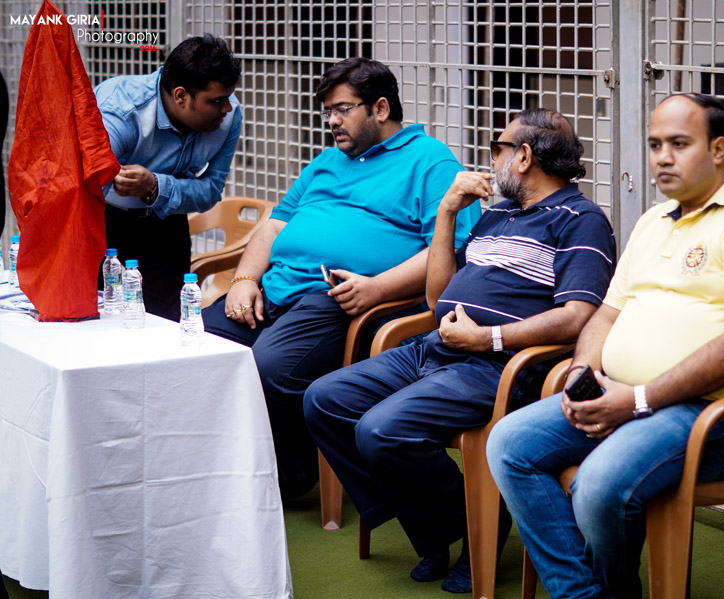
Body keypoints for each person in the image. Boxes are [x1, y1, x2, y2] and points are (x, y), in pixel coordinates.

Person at [486, 93, 724, 599]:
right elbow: (606, 315)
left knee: (598, 484)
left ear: (719, 149)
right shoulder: (653, 221)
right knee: (509, 443)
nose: (663, 157)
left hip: (722, 416)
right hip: (622, 395)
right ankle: (582, 594)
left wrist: (637, 400)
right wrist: (581, 374)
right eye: (656, 144)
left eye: (680, 144)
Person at [304, 108, 616, 593]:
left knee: (381, 430)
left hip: (497, 365)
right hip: (435, 348)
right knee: (325, 400)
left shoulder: (583, 220)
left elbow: (578, 316)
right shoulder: (498, 214)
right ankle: (446, 526)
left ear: (524, 157)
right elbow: (437, 299)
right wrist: (447, 212)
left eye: (497, 148)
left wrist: (487, 339)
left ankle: (465, 528)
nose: (490, 160)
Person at [202, 57, 481, 500]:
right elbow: (273, 226)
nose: (332, 121)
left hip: (337, 298)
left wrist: (377, 287)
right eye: (327, 111)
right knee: (196, 348)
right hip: (273, 289)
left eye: (342, 109)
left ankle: (289, 475)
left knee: (268, 367)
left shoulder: (430, 162)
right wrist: (244, 280)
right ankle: (211, 467)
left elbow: (447, 251)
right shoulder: (326, 161)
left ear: (381, 109)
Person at [95, 34, 242, 320]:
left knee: (165, 325)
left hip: (167, 223)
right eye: (216, 100)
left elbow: (211, 190)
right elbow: (85, 189)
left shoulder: (230, 115)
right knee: (96, 317)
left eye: (228, 97)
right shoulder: (122, 111)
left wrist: (155, 187)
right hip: (103, 219)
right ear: (180, 96)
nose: (226, 108)